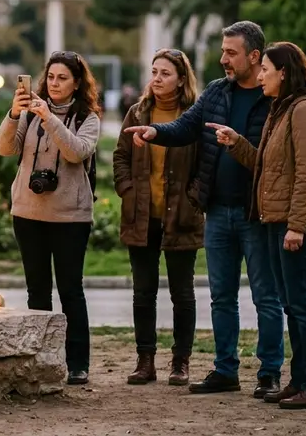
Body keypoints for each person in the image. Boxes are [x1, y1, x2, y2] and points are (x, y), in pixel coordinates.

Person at [122, 21, 284, 398]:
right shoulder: (215, 92)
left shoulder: (272, 98)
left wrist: (240, 144)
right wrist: (156, 133)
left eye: (231, 52)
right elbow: (187, 126)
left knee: (265, 296)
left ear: (255, 56)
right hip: (218, 212)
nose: (223, 59)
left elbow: (273, 160)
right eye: (223, 51)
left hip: (256, 214)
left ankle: (269, 372)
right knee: (221, 297)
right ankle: (225, 369)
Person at [209, 41, 306, 409]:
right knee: (293, 307)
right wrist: (236, 144)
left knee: (305, 305)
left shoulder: (305, 111)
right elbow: (268, 166)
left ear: (284, 72)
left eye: (265, 69)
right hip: (277, 221)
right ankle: (300, 381)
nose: (260, 75)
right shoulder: (282, 110)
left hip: (298, 224)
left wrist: (297, 226)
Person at [0, 50, 102, 386]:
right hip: (28, 213)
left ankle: (77, 363)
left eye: (62, 78)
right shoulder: (28, 113)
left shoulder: (88, 118)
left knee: (71, 290)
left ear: (76, 83)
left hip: (70, 217)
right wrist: (15, 114)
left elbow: (75, 152)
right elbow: (4, 148)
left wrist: (49, 118)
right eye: (51, 77)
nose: (54, 84)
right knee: (37, 291)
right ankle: (40, 359)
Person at [113, 49, 203, 386]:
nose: (157, 78)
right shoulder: (138, 111)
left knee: (182, 293)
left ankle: (181, 362)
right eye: (154, 71)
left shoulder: (192, 115)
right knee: (143, 291)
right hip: (142, 216)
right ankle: (145, 360)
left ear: (181, 79)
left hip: (181, 214)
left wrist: (194, 197)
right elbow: (120, 156)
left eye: (165, 73)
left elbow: (205, 163)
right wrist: (128, 190)